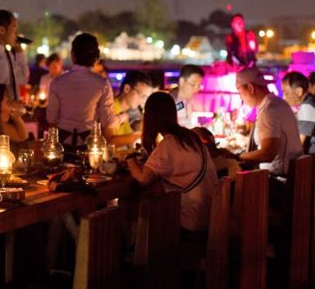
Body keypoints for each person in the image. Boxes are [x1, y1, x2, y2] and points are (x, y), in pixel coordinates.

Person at [127, 93, 219, 233]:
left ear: (150, 117)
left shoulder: (169, 143)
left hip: (191, 221)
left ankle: (136, 250)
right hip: (211, 216)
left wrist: (129, 159)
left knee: (137, 205)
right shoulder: (191, 136)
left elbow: (142, 179)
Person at [47, 33, 123, 148]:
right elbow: (107, 121)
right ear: (96, 58)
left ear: (73, 55)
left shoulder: (58, 82)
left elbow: (51, 118)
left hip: (62, 144)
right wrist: (123, 117)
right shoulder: (102, 84)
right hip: (90, 144)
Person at [236, 67, 302, 176]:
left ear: (250, 87)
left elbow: (268, 153)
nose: (241, 98)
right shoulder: (278, 103)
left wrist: (238, 156)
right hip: (291, 175)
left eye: (240, 93)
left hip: (277, 181)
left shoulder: (268, 110)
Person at [111, 70, 152, 140]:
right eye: (140, 94)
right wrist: (141, 135)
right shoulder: (111, 107)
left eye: (143, 96)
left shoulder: (124, 113)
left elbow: (129, 138)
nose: (141, 99)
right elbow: (110, 141)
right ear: (127, 89)